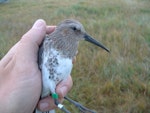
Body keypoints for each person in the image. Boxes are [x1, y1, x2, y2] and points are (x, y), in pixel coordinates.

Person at [0, 19, 73, 113]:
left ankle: (74, 104)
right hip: (44, 91)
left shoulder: (66, 46)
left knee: (56, 93)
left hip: (46, 92)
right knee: (55, 96)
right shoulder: (45, 42)